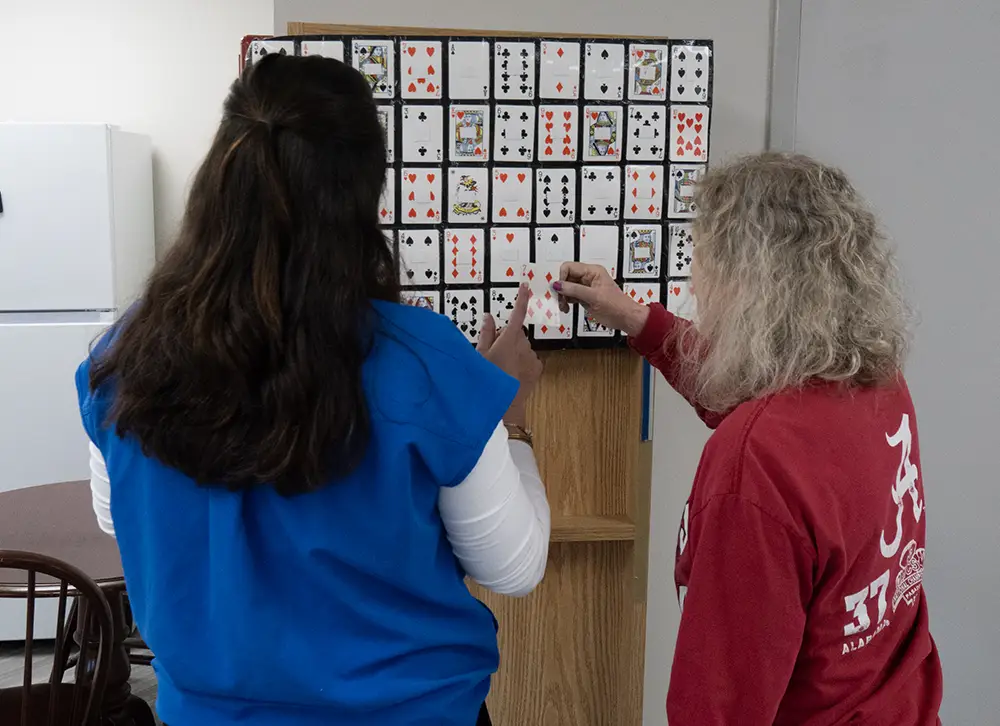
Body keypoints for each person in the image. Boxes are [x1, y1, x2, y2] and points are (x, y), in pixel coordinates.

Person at [75, 54, 549, 726]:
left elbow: (117, 517)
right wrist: (509, 415)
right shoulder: (425, 367)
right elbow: (514, 568)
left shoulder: (125, 358)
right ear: (362, 197)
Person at [555, 152, 943, 725]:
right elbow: (759, 393)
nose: (695, 285)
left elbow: (718, 708)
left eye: (703, 265)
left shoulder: (753, 463)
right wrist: (639, 319)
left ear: (749, 284)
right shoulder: (876, 379)